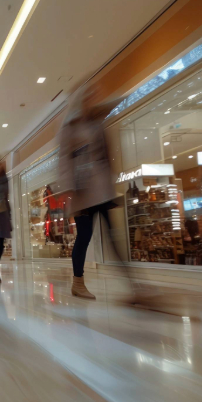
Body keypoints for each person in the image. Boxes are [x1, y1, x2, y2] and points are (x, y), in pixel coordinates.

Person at [58, 87, 138, 300]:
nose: (92, 100)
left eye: (93, 96)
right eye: (88, 96)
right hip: (82, 192)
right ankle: (78, 283)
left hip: (101, 189)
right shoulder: (70, 128)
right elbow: (64, 160)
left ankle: (132, 284)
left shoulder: (97, 123)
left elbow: (106, 155)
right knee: (84, 237)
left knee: (113, 235)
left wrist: (113, 185)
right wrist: (68, 190)